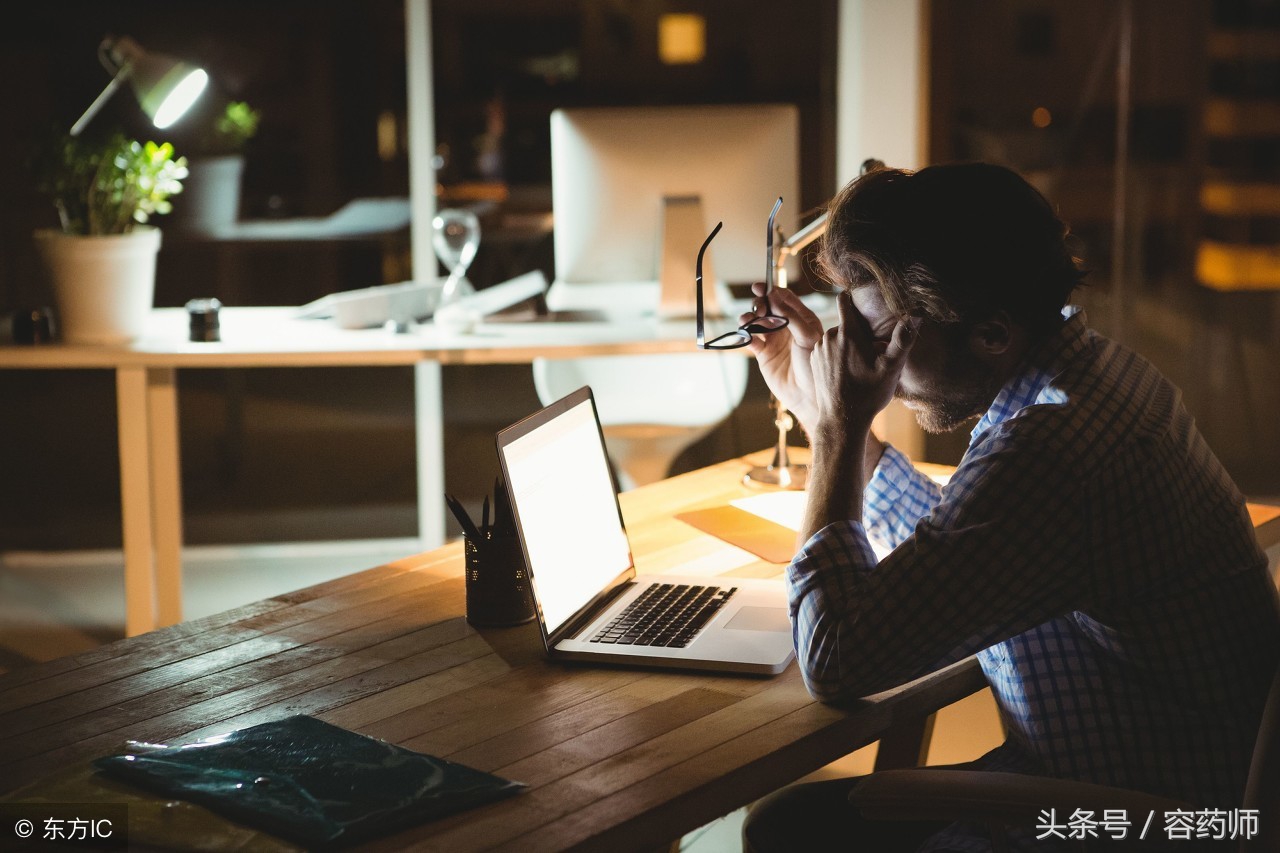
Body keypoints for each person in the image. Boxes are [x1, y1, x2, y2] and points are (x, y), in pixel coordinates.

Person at [739, 162, 1280, 852]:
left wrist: (837, 431)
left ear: (991, 333)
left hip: (1145, 824)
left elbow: (836, 657)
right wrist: (822, 405)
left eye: (886, 341)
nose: (873, 369)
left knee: (788, 831)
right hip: (1144, 786)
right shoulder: (1091, 377)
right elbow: (972, 545)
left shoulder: (1051, 449)